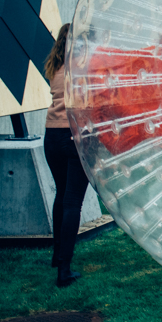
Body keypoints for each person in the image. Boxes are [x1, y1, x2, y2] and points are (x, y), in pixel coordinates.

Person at [43, 24, 89, 287]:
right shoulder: (82, 70)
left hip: (52, 136)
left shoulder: (55, 67)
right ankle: (64, 269)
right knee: (73, 202)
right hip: (74, 137)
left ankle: (56, 254)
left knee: (61, 195)